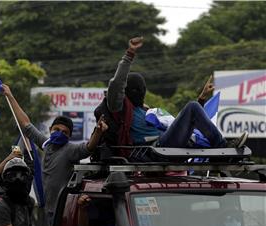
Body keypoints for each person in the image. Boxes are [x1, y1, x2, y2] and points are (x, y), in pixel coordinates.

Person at [103, 36, 248, 153]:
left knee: (192, 108)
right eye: (136, 89)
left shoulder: (146, 111)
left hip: (168, 142)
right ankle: (223, 146)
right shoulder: (119, 109)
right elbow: (117, 84)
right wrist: (129, 54)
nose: (140, 92)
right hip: (156, 148)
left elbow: (179, 122)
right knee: (191, 106)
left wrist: (202, 99)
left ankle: (221, 147)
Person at [1, 84, 108, 226]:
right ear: (50, 129)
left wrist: (98, 132)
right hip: (48, 209)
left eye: (65, 132)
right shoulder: (46, 144)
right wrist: (10, 95)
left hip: (63, 210)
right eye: (57, 129)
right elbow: (26, 123)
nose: (60, 133)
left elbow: (89, 147)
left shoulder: (71, 150)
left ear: (70, 136)